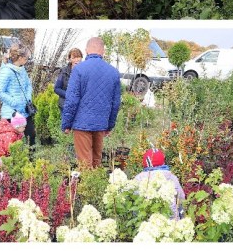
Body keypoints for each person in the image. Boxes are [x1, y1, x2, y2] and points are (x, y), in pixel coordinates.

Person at [62, 37, 122, 169]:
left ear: (86, 50)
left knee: (84, 164)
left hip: (82, 124)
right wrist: (110, 125)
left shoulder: (78, 70)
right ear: (103, 51)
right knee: (96, 161)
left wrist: (66, 123)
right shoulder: (113, 72)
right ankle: (96, 187)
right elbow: (116, 103)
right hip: (101, 124)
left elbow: (71, 100)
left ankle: (87, 188)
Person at [0, 43, 35, 147]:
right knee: (12, 143)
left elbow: (28, 85)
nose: (27, 59)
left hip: (25, 111)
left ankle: (31, 162)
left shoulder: (22, 69)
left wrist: (28, 98)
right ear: (20, 57)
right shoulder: (7, 71)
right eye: (26, 57)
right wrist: (14, 102)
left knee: (31, 137)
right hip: (12, 113)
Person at [133, 149, 186, 219]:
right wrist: (182, 217)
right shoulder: (171, 177)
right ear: (163, 162)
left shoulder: (138, 178)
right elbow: (181, 198)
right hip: (170, 221)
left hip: (145, 220)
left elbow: (134, 199)